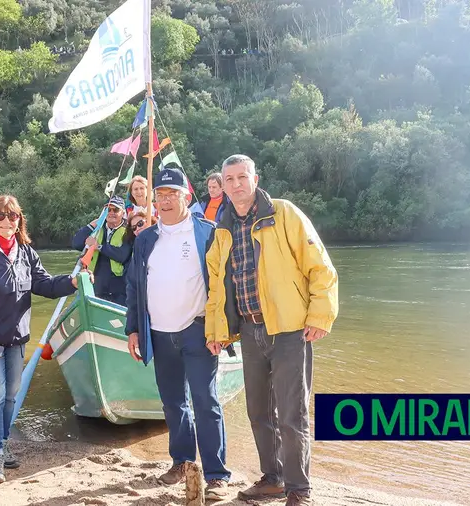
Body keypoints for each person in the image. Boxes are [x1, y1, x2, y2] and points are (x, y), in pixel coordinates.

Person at [204, 154, 339, 506]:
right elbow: (218, 286)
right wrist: (217, 330)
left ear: (255, 178)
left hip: (290, 330)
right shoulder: (222, 227)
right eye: (229, 178)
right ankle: (273, 477)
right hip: (249, 331)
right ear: (223, 184)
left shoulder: (284, 213)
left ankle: (299, 489)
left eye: (242, 177)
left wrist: (319, 315)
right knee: (259, 411)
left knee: (292, 414)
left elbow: (320, 267)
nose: (236, 184)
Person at [0, 194, 83, 485]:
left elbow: (45, 285)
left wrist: (73, 282)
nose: (6, 221)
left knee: (11, 396)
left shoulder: (26, 253)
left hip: (16, 339)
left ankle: (2, 441)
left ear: (19, 221)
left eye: (12, 216)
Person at [125, 166, 232, 501]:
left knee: (205, 401)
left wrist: (223, 329)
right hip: (157, 333)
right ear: (154, 200)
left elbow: (223, 284)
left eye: (173, 194)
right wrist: (133, 329)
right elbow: (133, 286)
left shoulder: (207, 232)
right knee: (173, 403)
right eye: (161, 195)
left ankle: (216, 474)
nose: (167, 200)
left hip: (198, 331)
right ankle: (182, 462)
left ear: (187, 196)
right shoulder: (145, 238)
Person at [71, 196, 131, 306]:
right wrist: (91, 225)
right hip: (96, 283)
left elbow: (123, 255)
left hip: (118, 287)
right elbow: (76, 243)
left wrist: (98, 246)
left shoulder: (129, 230)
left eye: (116, 210)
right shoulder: (97, 228)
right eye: (108, 209)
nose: (111, 213)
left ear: (122, 213)